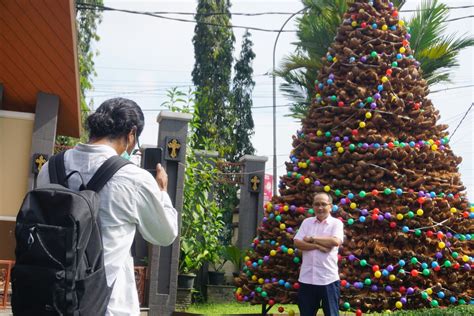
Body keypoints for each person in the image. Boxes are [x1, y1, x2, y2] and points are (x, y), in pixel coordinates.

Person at [37, 97, 178, 316]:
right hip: (106, 306)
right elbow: (165, 234)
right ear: (131, 135)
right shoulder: (133, 178)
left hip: (49, 301)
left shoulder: (49, 168)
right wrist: (161, 192)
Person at [293, 192, 344, 316]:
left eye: (323, 204)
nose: (320, 207)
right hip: (307, 279)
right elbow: (297, 242)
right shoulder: (307, 222)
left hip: (328, 279)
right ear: (313, 206)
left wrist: (311, 238)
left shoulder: (336, 223)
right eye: (316, 204)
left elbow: (335, 241)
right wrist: (317, 245)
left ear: (330, 206)